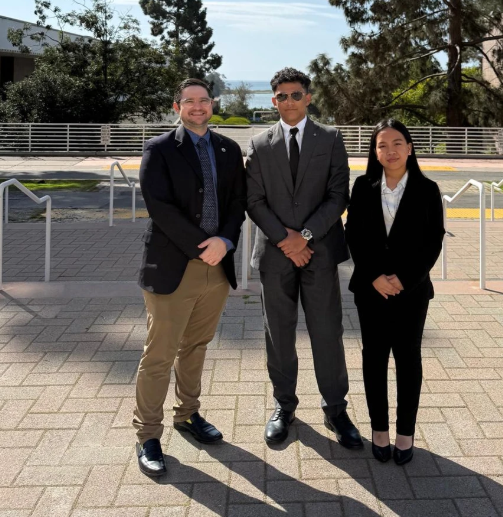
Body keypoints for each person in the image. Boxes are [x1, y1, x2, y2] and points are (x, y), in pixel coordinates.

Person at [133, 79, 247, 478]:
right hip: (173, 266)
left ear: (212, 104)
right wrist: (204, 245)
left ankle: (188, 414)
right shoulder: (160, 148)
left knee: (196, 346)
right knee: (159, 354)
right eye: (189, 101)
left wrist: (226, 240)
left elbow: (237, 202)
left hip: (218, 267)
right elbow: (159, 206)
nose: (198, 107)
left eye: (204, 101)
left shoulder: (228, 149)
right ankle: (148, 434)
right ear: (177, 106)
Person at [246, 67, 361, 448]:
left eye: (296, 94)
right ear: (273, 100)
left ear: (308, 98)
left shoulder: (330, 138)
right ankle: (284, 406)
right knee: (278, 335)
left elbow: (338, 195)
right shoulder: (259, 144)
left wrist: (305, 236)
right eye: (282, 95)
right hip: (276, 255)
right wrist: (286, 240)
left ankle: (335, 409)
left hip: (320, 252)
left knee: (327, 332)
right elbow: (254, 201)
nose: (289, 101)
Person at [344, 118, 444, 465]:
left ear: (410, 148)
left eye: (397, 143)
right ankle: (379, 431)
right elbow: (354, 235)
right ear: (375, 152)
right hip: (370, 290)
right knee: (374, 358)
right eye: (382, 145)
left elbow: (433, 241)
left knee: (408, 359)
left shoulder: (427, 189)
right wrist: (374, 276)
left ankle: (405, 433)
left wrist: (404, 279)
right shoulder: (363, 186)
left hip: (411, 291)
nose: (390, 151)